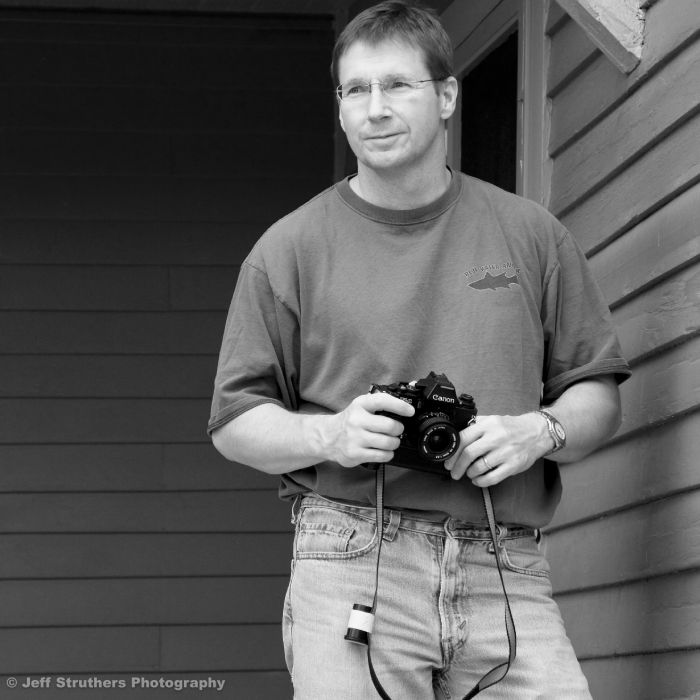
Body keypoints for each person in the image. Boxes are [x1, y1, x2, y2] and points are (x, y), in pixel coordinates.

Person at [208, 1, 631, 697]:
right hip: (349, 551)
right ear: (340, 108)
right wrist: (333, 433)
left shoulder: (531, 234)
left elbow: (597, 395)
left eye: (397, 85)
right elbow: (234, 424)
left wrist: (539, 430)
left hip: (505, 561)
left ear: (446, 95)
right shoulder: (288, 249)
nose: (374, 109)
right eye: (355, 90)